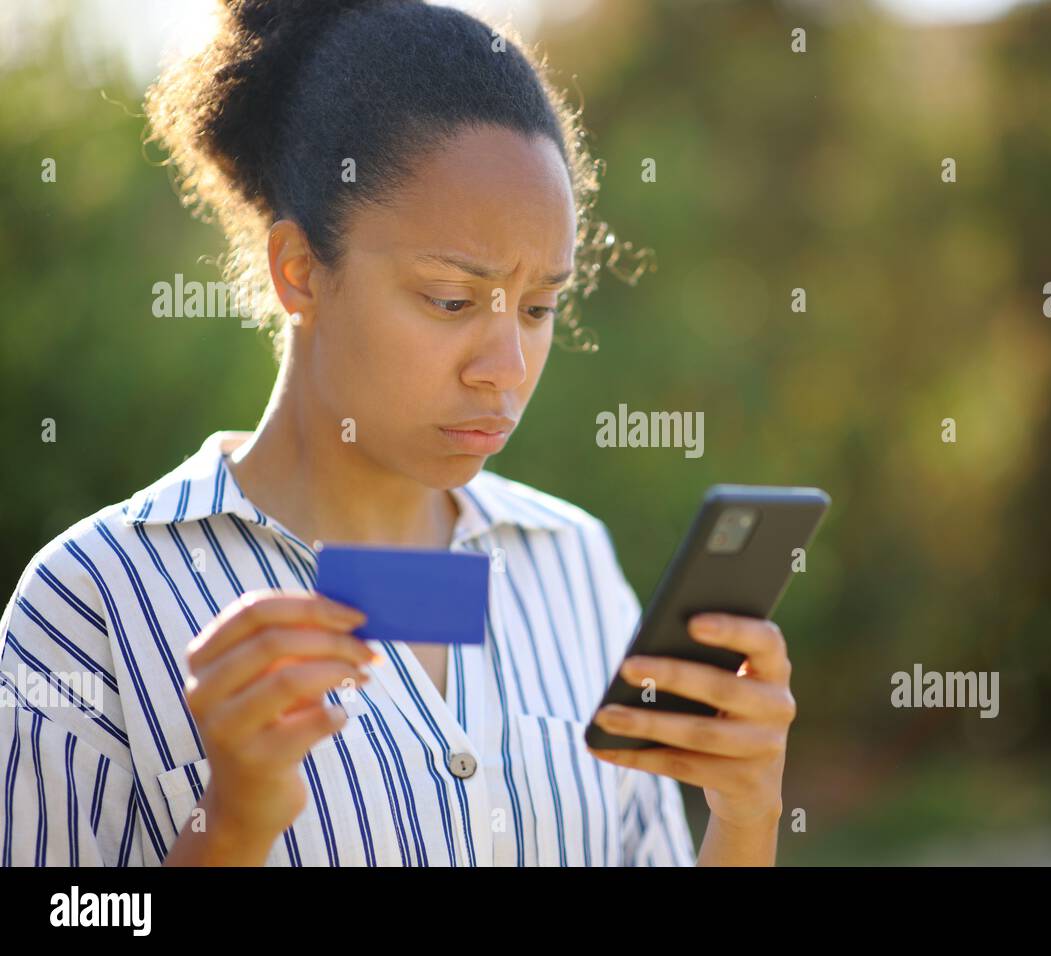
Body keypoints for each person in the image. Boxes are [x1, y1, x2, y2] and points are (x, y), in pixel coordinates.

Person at [0, 0, 795, 867]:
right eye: (452, 300)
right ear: (299, 272)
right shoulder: (93, 603)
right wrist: (229, 826)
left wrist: (744, 818)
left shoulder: (574, 562)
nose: (508, 366)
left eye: (539, 308)